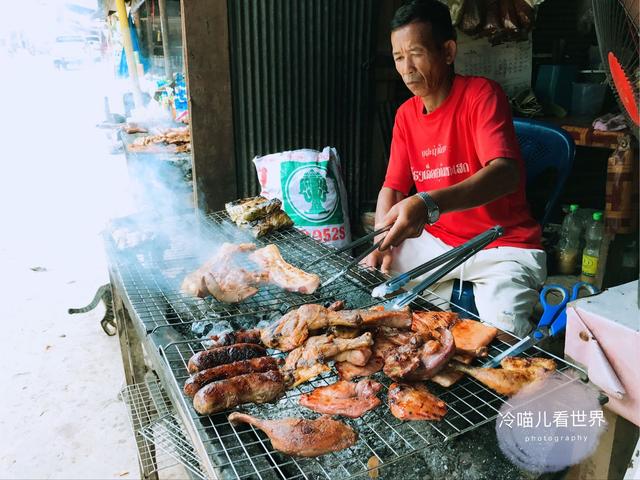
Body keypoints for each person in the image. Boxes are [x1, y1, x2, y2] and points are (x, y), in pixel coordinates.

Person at [364, 0, 546, 336]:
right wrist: (379, 243)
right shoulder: (405, 115)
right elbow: (392, 188)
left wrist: (428, 202)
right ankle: (449, 305)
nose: (406, 68)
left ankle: (478, 304)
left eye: (416, 53)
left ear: (448, 51)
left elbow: (506, 174)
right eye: (398, 57)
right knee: (380, 299)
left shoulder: (482, 95)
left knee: (500, 340)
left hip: (502, 246)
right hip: (439, 240)